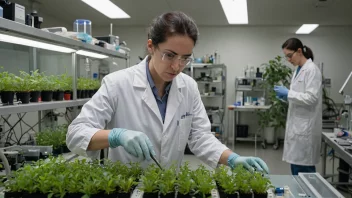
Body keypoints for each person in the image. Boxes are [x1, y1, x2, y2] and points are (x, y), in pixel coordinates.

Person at [67, 11, 269, 173]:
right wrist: (116, 135)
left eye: (185, 58)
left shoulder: (188, 87)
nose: (177, 66)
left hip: (169, 185)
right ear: (151, 47)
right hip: (126, 185)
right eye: (169, 55)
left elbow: (200, 137)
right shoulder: (117, 83)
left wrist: (232, 158)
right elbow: (76, 134)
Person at [274, 38, 322, 175]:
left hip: (305, 132)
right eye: (286, 57)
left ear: (299, 51)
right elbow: (299, 98)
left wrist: (289, 93)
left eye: (290, 55)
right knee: (296, 171)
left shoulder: (312, 70)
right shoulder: (298, 70)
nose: (288, 60)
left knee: (304, 174)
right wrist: (286, 97)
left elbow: (312, 98)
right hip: (297, 129)